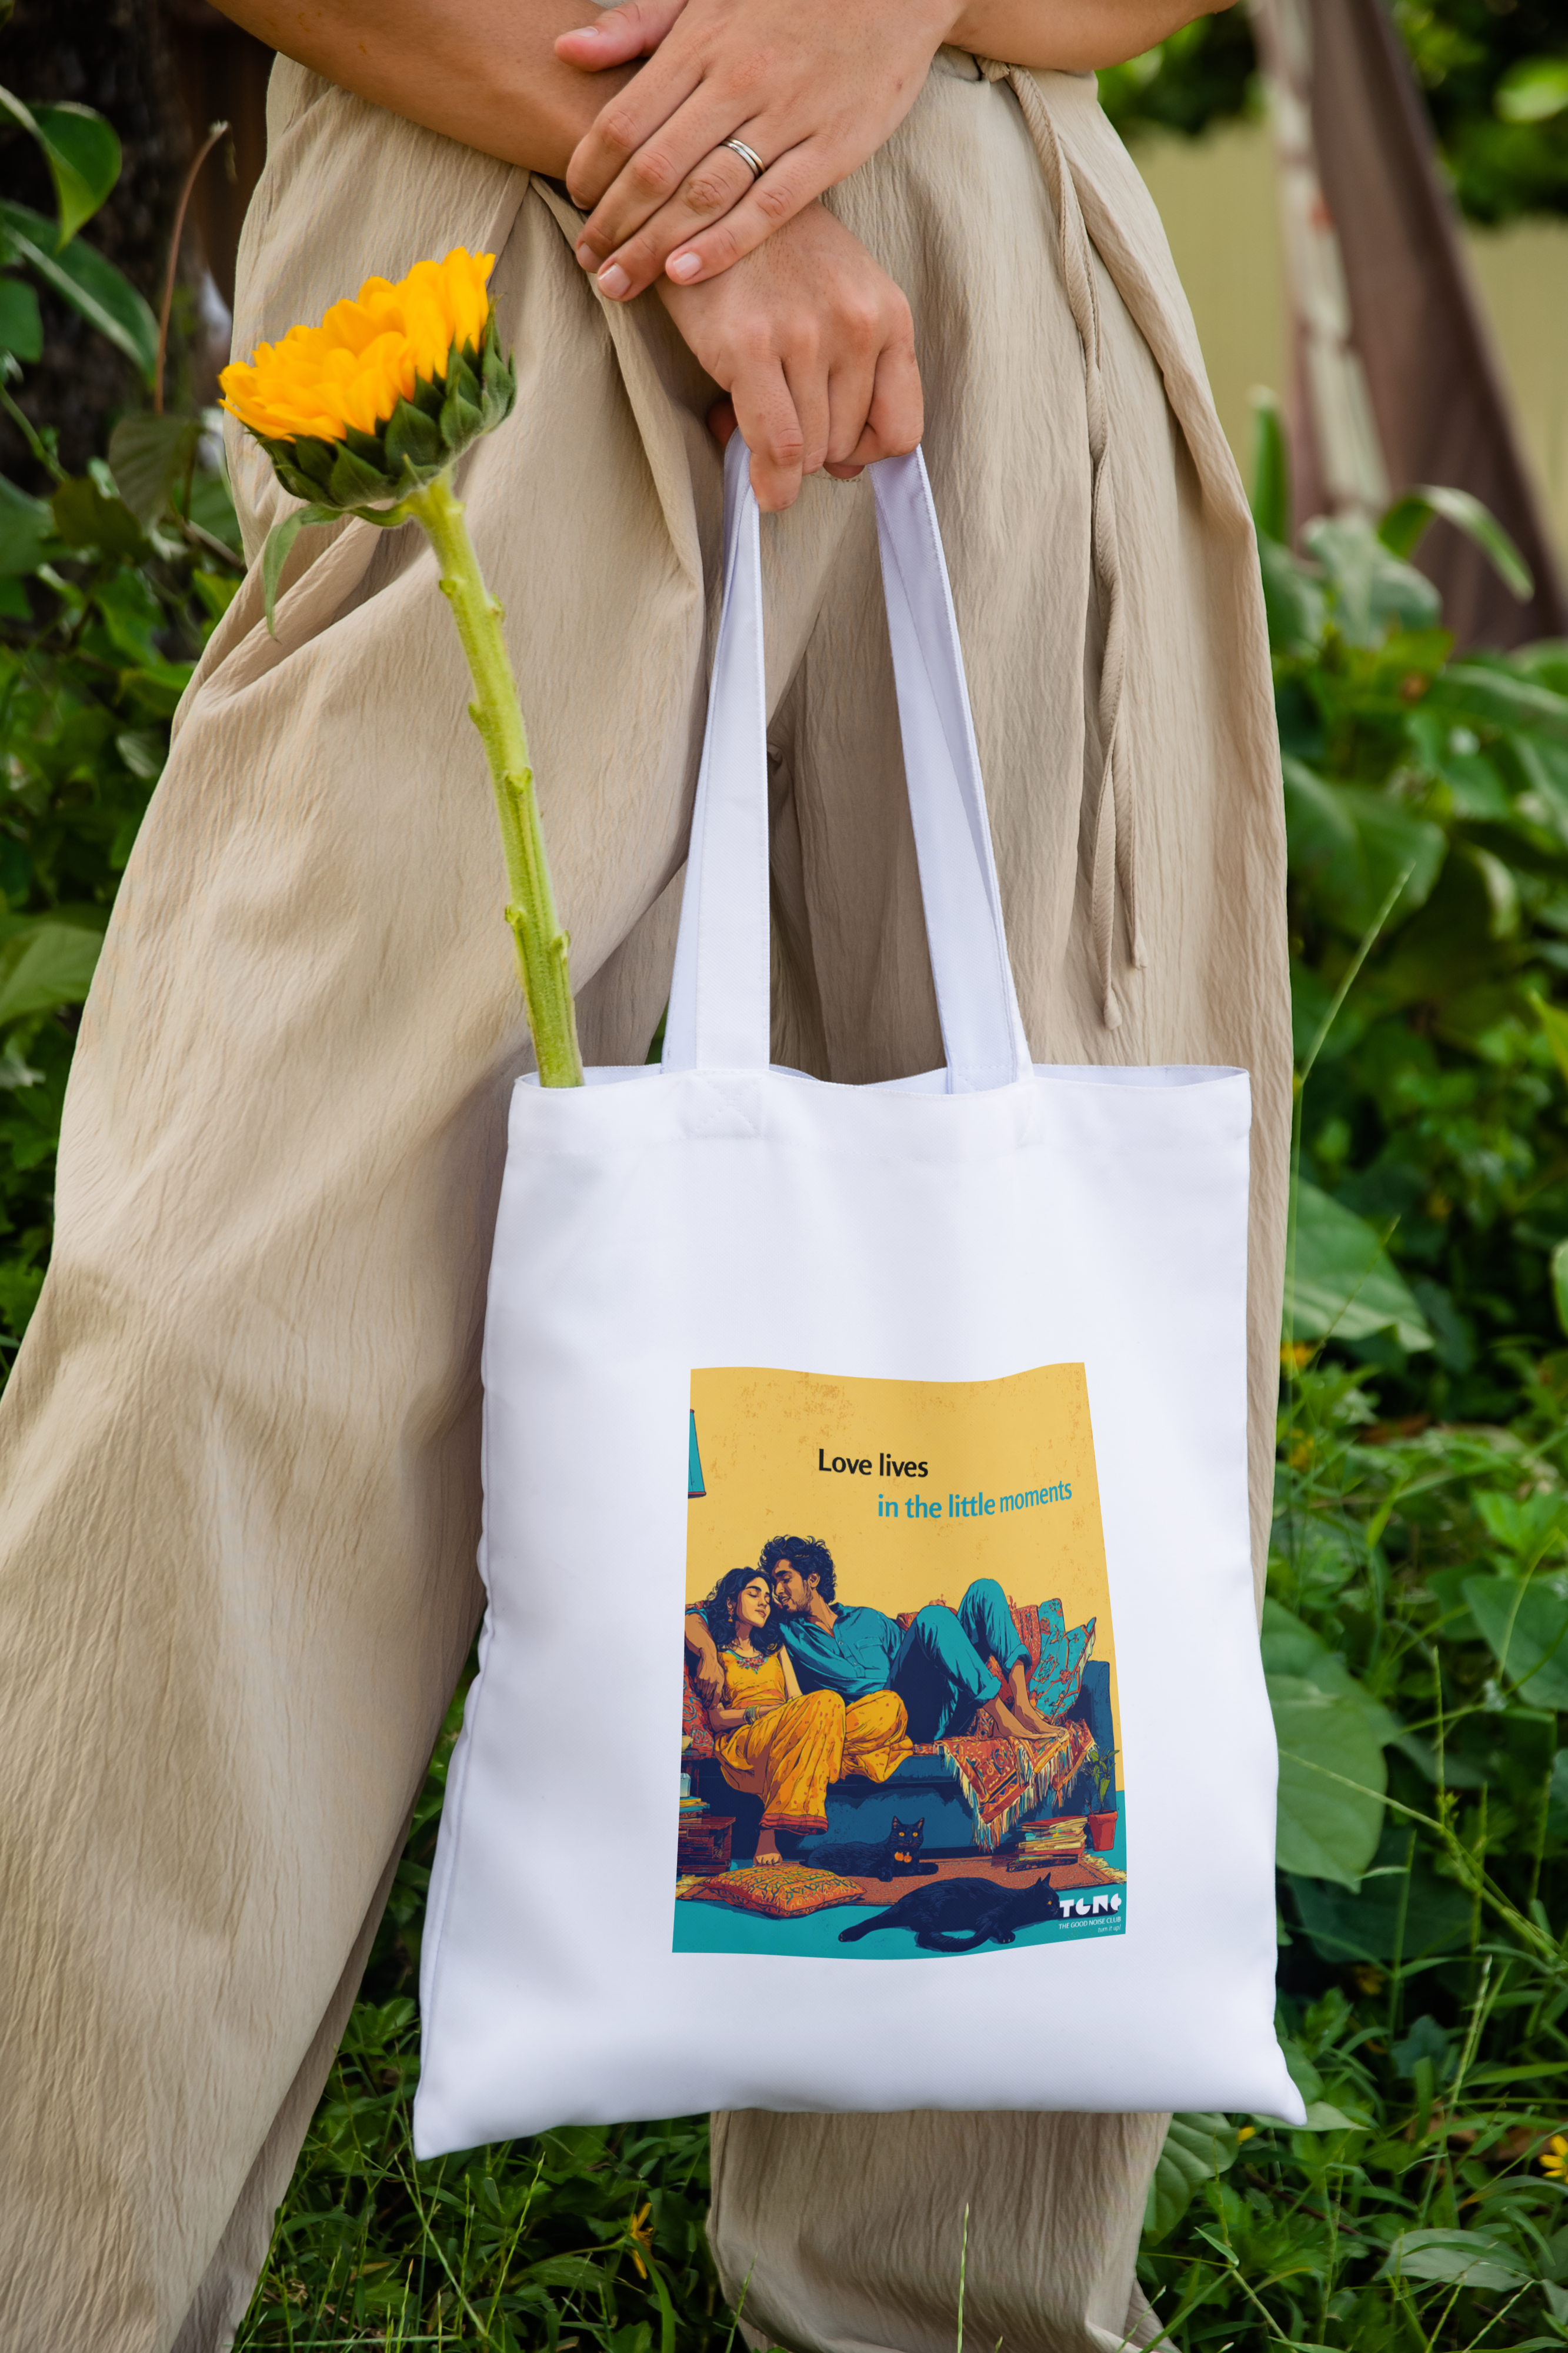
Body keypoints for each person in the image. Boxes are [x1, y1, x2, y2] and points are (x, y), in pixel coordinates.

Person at [0, 0, 1292, 2341]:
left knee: (1000, 1410)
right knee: (219, 1340)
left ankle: (945, 2303)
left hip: (1008, 281)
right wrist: (706, 183)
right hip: (479, 246)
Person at [685, 1539, 1055, 1744]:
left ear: (812, 1580)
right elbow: (698, 1615)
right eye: (771, 1584)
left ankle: (1021, 1702)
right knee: (933, 1617)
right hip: (905, 1719)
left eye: (784, 1580)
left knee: (984, 1592)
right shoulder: (784, 1632)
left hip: (947, 1703)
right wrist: (708, 1654)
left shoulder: (868, 1619)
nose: (776, 1592)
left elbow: (917, 1658)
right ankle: (1004, 1721)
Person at [695, 1566, 912, 1854]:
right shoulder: (718, 1653)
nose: (764, 1602)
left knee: (889, 1705)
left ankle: (819, 1747)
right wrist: (763, 1712)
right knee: (828, 1701)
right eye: (754, 1594)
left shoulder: (776, 1648)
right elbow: (717, 1719)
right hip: (746, 1736)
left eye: (767, 1598)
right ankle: (768, 1830)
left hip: (793, 1726)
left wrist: (791, 1715)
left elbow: (796, 1699)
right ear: (732, 1603)